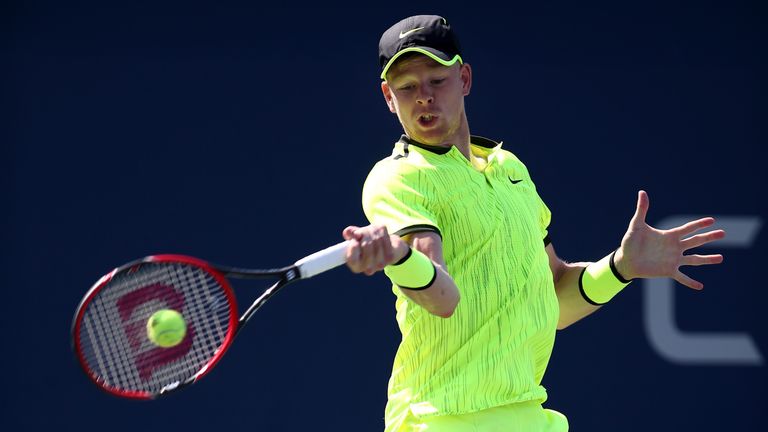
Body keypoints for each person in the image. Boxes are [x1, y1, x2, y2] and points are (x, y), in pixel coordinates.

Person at [342, 15, 725, 432]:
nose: (424, 97)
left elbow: (555, 293)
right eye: (407, 87)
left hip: (530, 415)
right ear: (388, 96)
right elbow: (441, 297)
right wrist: (400, 258)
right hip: (441, 421)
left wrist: (620, 267)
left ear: (464, 79)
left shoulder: (510, 170)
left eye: (437, 80)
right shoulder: (398, 177)